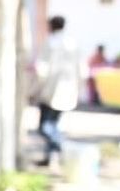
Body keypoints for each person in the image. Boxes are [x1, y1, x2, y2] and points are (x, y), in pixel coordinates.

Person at [34, 15, 83, 168]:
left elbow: (41, 69)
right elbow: (81, 69)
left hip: (50, 90)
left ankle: (59, 147)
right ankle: (51, 157)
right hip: (66, 90)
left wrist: (35, 89)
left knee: (45, 127)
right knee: (53, 124)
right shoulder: (72, 43)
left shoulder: (50, 42)